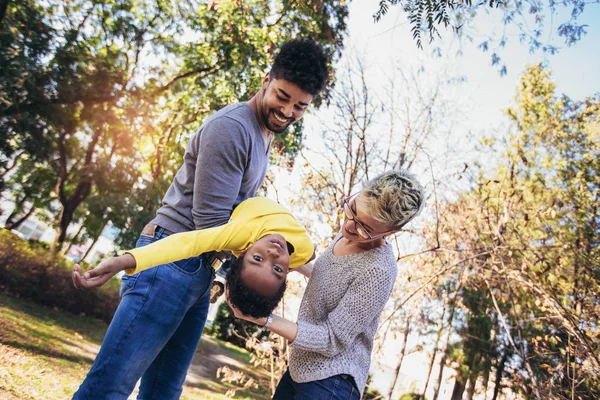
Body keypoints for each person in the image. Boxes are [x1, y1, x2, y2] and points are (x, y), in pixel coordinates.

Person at [72, 38, 329, 400]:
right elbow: (212, 226)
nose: (287, 111)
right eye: (282, 97)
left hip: (198, 267)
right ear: (267, 79)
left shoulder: (262, 133)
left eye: (300, 106)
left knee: (163, 393)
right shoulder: (233, 129)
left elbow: (235, 231)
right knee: (108, 388)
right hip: (172, 260)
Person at [227, 169, 425, 399]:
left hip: (332, 382)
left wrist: (263, 318)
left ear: (392, 231)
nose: (350, 226)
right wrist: (275, 260)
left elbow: (332, 339)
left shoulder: (378, 270)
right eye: (352, 210)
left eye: (366, 228)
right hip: (301, 370)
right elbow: (328, 278)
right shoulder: (348, 234)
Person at [73, 197, 315, 318]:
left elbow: (187, 242)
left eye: (258, 260)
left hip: (243, 208)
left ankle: (227, 278)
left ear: (242, 254)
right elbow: (312, 264)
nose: (273, 254)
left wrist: (122, 261)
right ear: (288, 272)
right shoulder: (303, 251)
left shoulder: (241, 235)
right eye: (277, 270)